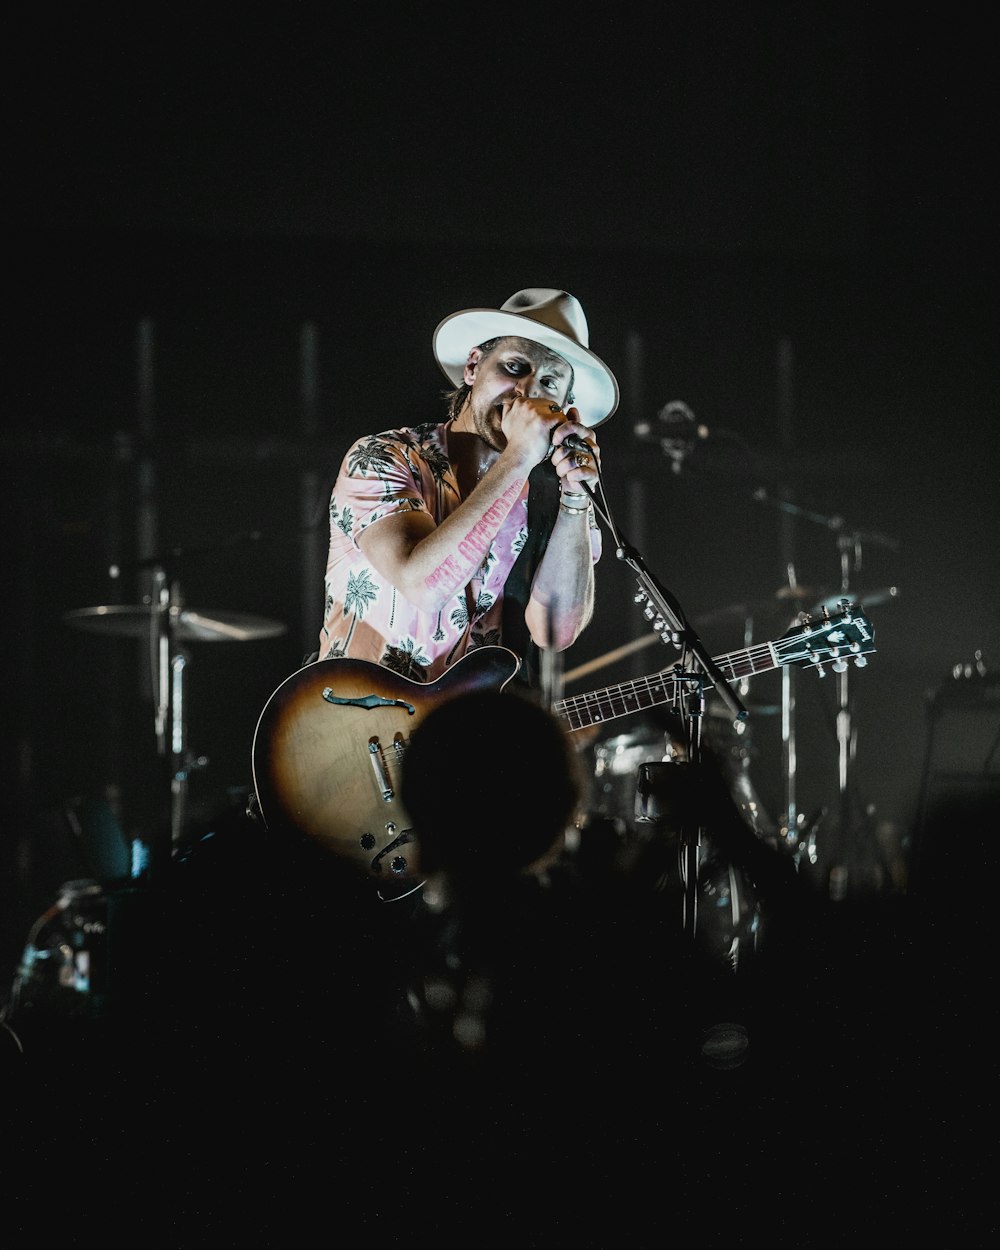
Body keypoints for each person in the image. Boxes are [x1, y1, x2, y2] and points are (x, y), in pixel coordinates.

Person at [317, 287, 619, 691]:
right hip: (351, 726)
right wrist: (518, 457)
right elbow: (423, 586)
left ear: (566, 408)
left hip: (462, 736)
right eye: (514, 367)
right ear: (473, 366)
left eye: (548, 382)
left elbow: (555, 631)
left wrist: (576, 499)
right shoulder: (386, 456)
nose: (526, 392)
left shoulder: (548, 496)